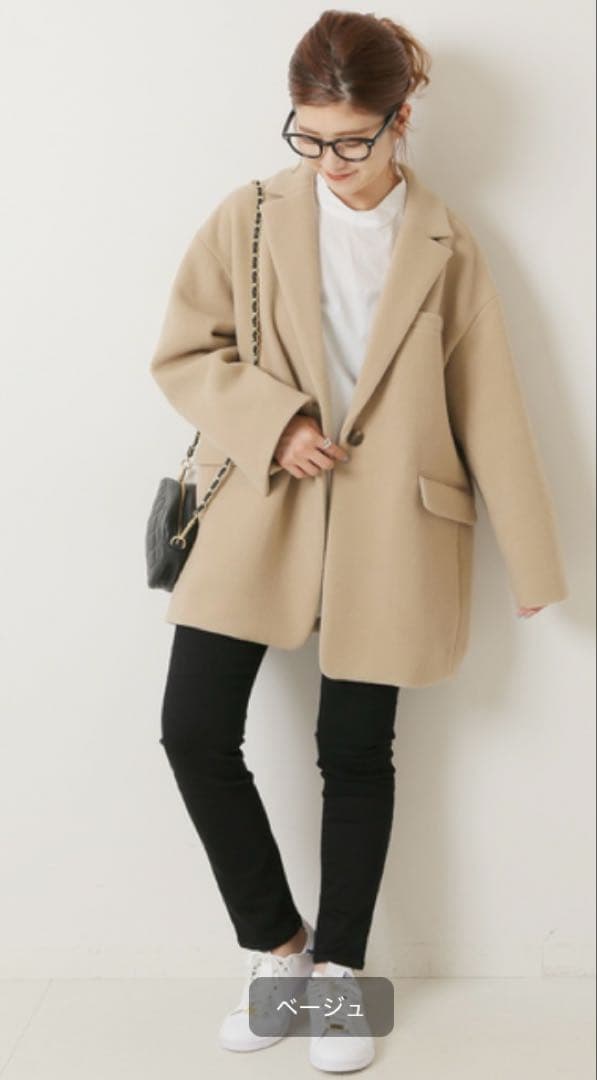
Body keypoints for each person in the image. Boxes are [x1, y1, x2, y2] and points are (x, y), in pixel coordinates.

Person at [149, 11, 569, 1074]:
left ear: (400, 119)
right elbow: (185, 352)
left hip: (394, 524)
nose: (328, 161)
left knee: (354, 752)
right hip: (259, 508)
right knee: (193, 729)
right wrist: (276, 421)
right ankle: (279, 950)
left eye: (350, 140)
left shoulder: (447, 243)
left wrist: (532, 559)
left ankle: (339, 974)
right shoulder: (249, 215)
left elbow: (490, 403)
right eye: (307, 136)